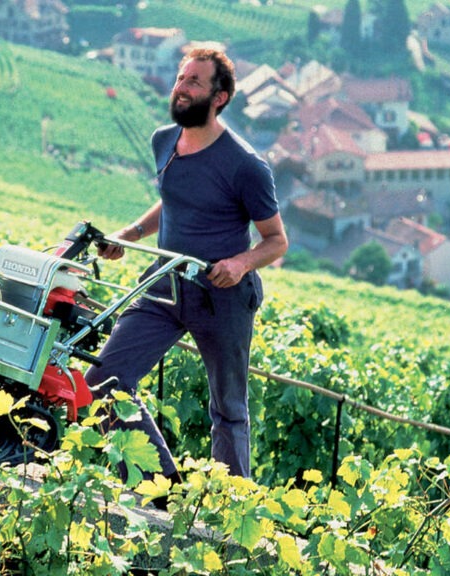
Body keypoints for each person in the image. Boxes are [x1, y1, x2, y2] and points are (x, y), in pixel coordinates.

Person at [86, 47, 288, 483]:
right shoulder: (164, 141)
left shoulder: (247, 166)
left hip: (223, 297)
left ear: (220, 97)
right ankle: (161, 492)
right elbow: (173, 196)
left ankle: (229, 512)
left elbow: (275, 242)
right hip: (165, 282)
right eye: (181, 78)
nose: (181, 88)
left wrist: (239, 264)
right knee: (103, 379)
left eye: (195, 82)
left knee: (228, 410)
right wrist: (130, 234)